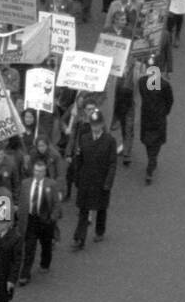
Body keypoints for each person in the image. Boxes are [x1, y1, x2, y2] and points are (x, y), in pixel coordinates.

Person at [71, 109, 117, 249]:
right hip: (86, 179)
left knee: (101, 208)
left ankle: (99, 231)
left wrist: (108, 182)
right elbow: (79, 159)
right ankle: (79, 238)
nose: (95, 128)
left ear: (102, 124)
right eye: (93, 125)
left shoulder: (109, 141)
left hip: (101, 180)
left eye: (97, 125)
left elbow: (112, 163)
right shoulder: (84, 138)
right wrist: (77, 177)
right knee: (83, 210)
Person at [17, 156, 61, 284]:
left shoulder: (51, 185)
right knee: (29, 248)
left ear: (45, 172)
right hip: (31, 220)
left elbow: (57, 205)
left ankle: (45, 263)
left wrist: (52, 219)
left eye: (40, 171)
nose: (37, 173)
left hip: (45, 220)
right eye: (36, 170)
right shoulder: (25, 183)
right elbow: (21, 202)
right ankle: (25, 274)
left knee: (46, 244)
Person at [138, 57, 174, 182]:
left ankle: (151, 160)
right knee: (156, 142)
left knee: (148, 141)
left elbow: (143, 93)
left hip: (146, 117)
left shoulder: (142, 82)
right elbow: (169, 101)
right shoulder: (164, 85)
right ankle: (151, 163)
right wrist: (165, 112)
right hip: (159, 118)